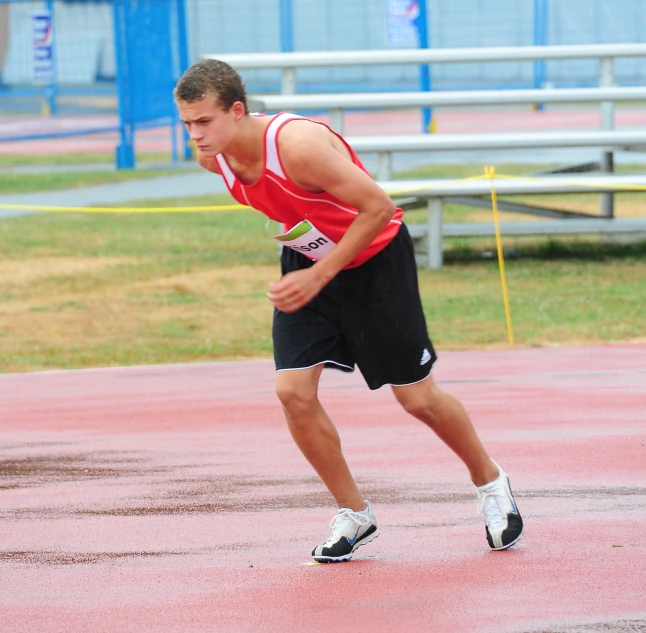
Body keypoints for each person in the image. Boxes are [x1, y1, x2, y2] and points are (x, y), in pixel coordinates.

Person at [174, 59, 523, 562]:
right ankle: (354, 514)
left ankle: (491, 482)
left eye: (204, 121)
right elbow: (292, 209)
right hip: (310, 262)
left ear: (237, 110)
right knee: (292, 391)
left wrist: (321, 271)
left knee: (417, 399)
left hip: (376, 262)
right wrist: (310, 263)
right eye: (186, 123)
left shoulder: (297, 146)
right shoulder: (214, 159)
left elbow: (380, 208)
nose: (196, 134)